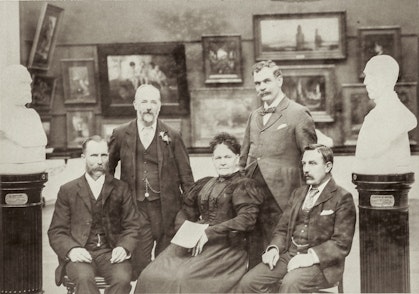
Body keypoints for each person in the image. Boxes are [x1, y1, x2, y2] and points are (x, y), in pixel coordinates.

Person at [135, 133, 264, 293]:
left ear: (237, 158)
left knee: (182, 279)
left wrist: (209, 232)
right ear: (213, 160)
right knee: (150, 274)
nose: (223, 162)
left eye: (227, 157)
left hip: (226, 248)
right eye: (218, 158)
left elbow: (246, 219)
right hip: (194, 241)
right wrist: (187, 231)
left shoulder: (244, 185)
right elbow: (185, 211)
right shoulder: (205, 183)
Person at [237, 144, 356, 293]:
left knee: (290, 284)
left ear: (328, 166)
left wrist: (310, 258)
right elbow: (282, 230)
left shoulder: (342, 197)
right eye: (304, 163)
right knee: (249, 282)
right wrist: (274, 249)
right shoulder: (298, 194)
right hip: (290, 255)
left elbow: (341, 244)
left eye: (312, 163)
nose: (306, 169)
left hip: (321, 264)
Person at [108, 84, 194, 278]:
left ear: (160, 106)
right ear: (135, 105)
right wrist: (112, 200)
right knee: (140, 264)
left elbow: (186, 177)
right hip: (135, 209)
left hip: (167, 210)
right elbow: (108, 172)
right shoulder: (121, 134)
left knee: (165, 265)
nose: (148, 107)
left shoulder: (172, 135)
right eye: (144, 102)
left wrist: (189, 210)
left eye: (153, 102)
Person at [240, 60, 317, 267]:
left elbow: (312, 159)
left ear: (279, 80)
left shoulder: (298, 113)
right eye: (257, 83)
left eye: (266, 81)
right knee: (254, 251)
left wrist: (307, 199)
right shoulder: (254, 115)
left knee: (278, 253)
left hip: (283, 197)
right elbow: (244, 155)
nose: (262, 87)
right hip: (253, 196)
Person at [48, 136, 142, 294]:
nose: (100, 161)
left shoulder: (121, 188)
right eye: (94, 155)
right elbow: (56, 231)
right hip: (81, 253)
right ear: (83, 158)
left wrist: (124, 247)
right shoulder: (68, 190)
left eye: (104, 155)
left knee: (122, 279)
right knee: (84, 279)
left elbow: (132, 225)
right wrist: (72, 250)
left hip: (110, 252)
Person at [354, 55, 417, 174]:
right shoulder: (378, 114)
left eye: (370, 76)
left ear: (385, 79)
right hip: (374, 182)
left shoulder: (394, 113)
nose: (365, 82)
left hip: (386, 183)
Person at [0, 64, 47, 173]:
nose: (28, 88)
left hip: (32, 170)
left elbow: (40, 143)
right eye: (22, 84)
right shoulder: (2, 115)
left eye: (29, 84)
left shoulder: (32, 115)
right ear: (8, 86)